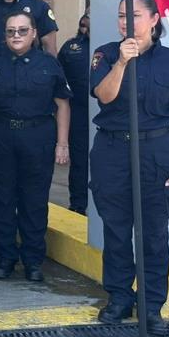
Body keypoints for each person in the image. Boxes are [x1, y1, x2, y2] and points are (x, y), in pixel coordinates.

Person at [89, 0, 169, 334]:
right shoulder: (105, 53)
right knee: (117, 229)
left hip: (156, 152)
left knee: (153, 233)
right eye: (121, 16)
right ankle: (119, 297)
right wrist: (121, 62)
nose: (126, 23)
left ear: (153, 19)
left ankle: (151, 306)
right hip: (112, 150)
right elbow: (104, 96)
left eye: (134, 16)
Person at [0, 11, 71, 282]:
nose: (16, 36)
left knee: (34, 201)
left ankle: (33, 260)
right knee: (0, 200)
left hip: (38, 136)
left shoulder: (49, 64)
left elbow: (62, 105)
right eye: (11, 31)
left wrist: (62, 143)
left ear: (34, 33)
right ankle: (5, 258)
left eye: (22, 30)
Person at [57, 13, 91, 215]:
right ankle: (78, 205)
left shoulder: (116, 46)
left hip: (110, 113)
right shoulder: (72, 48)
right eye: (88, 14)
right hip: (78, 111)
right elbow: (58, 78)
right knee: (79, 161)